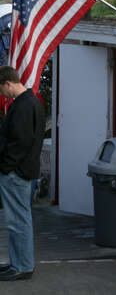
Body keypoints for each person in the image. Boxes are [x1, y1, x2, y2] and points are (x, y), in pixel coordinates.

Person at [0, 66, 45, 282]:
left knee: (18, 220)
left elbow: (20, 141)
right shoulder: (32, 101)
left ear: (8, 83)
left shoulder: (23, 106)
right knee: (20, 218)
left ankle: (22, 266)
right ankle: (18, 262)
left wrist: (6, 167)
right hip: (25, 170)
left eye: (2, 89)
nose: (2, 94)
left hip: (17, 173)